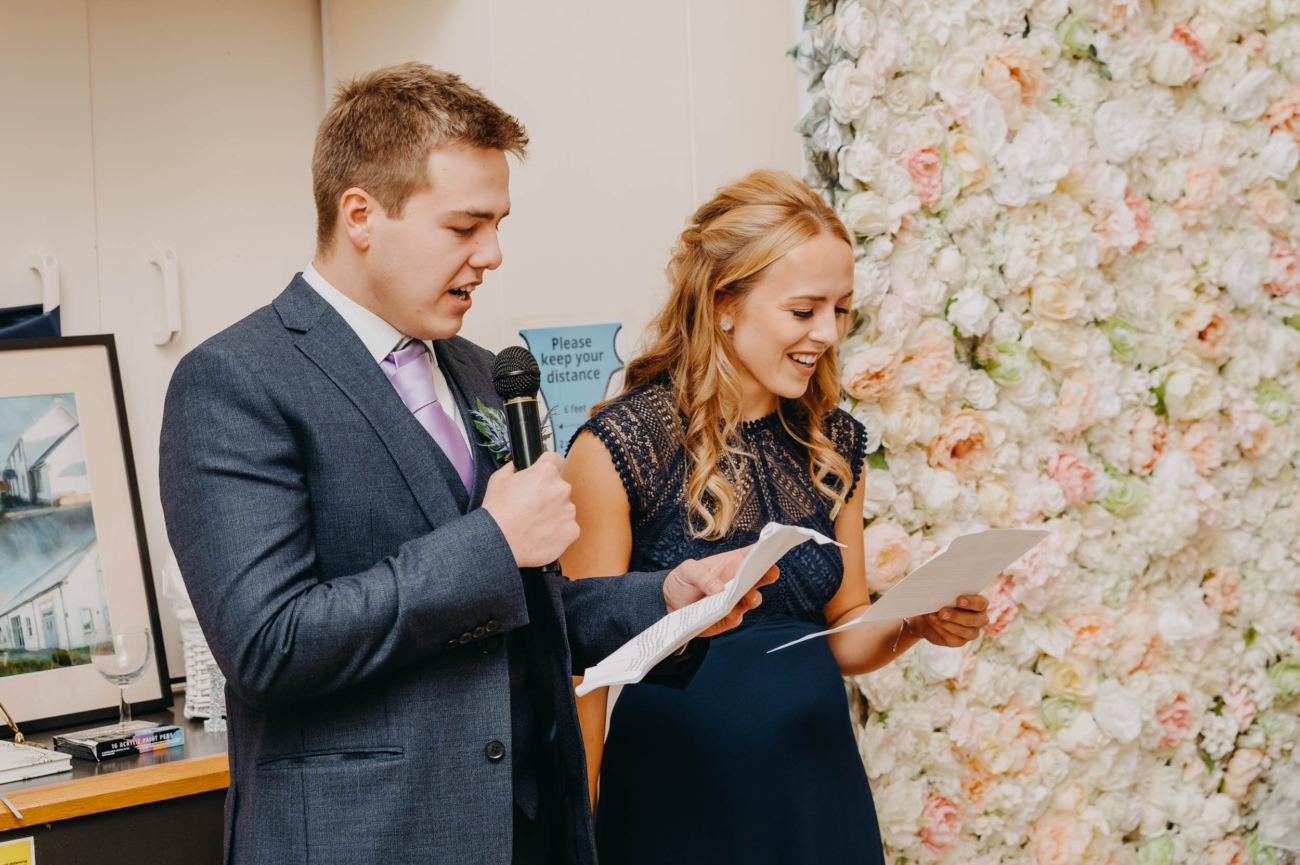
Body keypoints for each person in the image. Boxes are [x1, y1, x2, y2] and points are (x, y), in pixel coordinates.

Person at [158, 63, 773, 865]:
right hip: (366, 842)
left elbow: (528, 608)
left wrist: (666, 598)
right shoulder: (236, 380)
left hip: (529, 834)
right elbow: (270, 644)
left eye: (499, 223)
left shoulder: (483, 371)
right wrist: (489, 539)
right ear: (361, 215)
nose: (493, 254)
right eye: (464, 226)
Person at [561, 169, 992, 864]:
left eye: (842, 310)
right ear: (724, 302)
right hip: (678, 802)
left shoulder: (835, 442)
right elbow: (583, 669)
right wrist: (574, 841)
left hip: (819, 791)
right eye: (804, 310)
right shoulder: (621, 446)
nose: (827, 332)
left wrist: (915, 622)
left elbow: (845, 631)